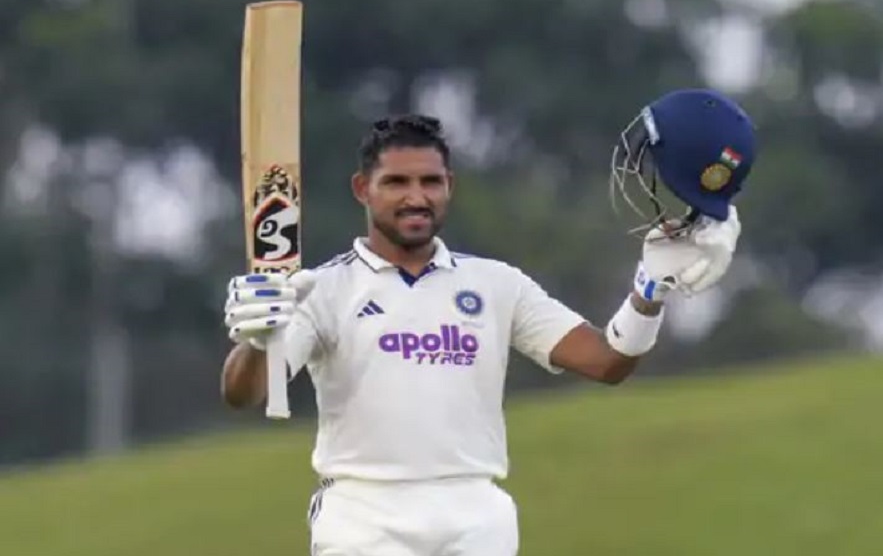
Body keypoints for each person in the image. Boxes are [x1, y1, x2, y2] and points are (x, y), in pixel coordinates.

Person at [220, 88, 756, 556]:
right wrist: (257, 340)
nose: (416, 197)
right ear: (363, 188)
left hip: (475, 515)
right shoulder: (318, 289)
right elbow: (244, 393)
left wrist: (650, 290)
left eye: (430, 182)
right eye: (396, 182)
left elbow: (607, 362)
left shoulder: (497, 285)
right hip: (363, 516)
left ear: (449, 185)